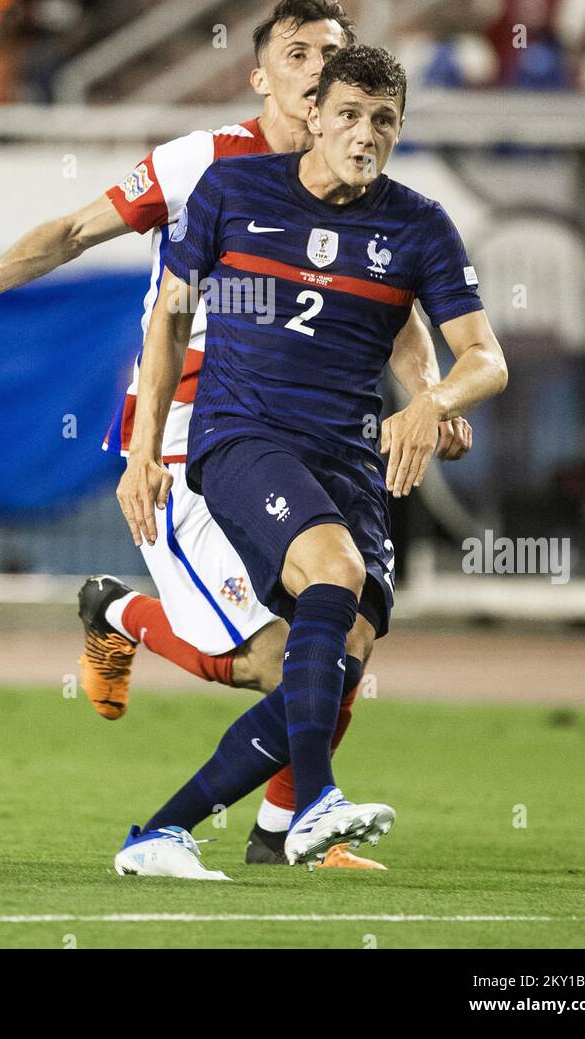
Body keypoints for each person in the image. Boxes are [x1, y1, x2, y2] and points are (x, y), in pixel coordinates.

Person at [0, 0, 472, 867]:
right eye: (299, 55)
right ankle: (123, 618)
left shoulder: (369, 195)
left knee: (340, 632)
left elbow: (394, 319)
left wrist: (432, 399)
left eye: (333, 55)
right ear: (264, 75)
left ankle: (285, 831)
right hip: (197, 428)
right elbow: (74, 232)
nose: (319, 71)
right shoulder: (204, 165)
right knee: (276, 657)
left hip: (319, 428)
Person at [114, 44, 508, 878]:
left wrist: (434, 402)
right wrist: (144, 452)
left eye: (386, 120)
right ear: (316, 116)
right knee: (333, 571)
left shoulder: (418, 224)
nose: (367, 134)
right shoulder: (231, 190)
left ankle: (159, 833)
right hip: (240, 438)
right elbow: (169, 323)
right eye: (352, 115)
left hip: (349, 460)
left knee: (338, 665)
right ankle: (315, 807)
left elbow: (486, 357)